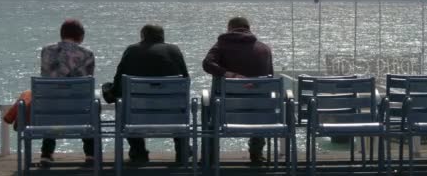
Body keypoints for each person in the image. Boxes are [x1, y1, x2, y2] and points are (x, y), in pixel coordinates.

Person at [111, 24, 189, 163]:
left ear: (142, 37)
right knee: (179, 101)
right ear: (162, 37)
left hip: (136, 115)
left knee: (121, 101)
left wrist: (110, 92)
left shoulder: (132, 50)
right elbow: (185, 81)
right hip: (171, 114)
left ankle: (138, 151)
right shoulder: (174, 50)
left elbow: (118, 82)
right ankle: (182, 149)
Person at [202, 16, 273, 164]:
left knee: (207, 105)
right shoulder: (264, 49)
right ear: (249, 29)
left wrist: (229, 75)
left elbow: (207, 64)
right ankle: (256, 153)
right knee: (259, 99)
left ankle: (210, 156)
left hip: (225, 112)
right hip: (258, 112)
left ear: (229, 29)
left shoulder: (222, 45)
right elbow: (269, 78)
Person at [40, 19, 95, 168]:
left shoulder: (46, 50)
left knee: (53, 102)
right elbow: (86, 85)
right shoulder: (87, 54)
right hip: (77, 110)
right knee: (90, 105)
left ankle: (46, 153)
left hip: (47, 110)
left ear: (61, 34)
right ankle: (91, 153)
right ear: (80, 36)